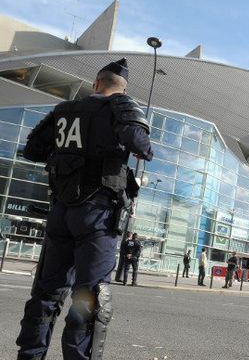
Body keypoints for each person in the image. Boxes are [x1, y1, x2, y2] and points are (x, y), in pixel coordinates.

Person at [16, 58, 153, 360]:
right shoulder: (120, 106)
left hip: (61, 212)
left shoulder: (63, 111)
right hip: (97, 215)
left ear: (95, 84)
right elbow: (142, 146)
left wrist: (68, 159)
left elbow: (32, 150)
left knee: (46, 293)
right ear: (121, 89)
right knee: (87, 296)